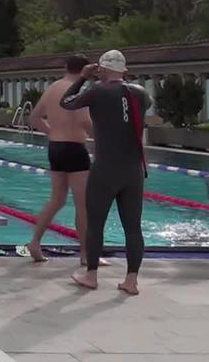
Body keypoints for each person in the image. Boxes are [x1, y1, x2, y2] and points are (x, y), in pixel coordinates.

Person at [59, 50, 150, 296]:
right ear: (125, 71)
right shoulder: (141, 94)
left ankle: (91, 276)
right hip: (133, 170)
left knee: (96, 223)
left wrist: (82, 78)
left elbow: (66, 102)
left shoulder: (97, 91)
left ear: (101, 69)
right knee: (133, 227)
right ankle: (131, 281)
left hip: (106, 169)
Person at [24, 55, 93, 263]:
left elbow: (34, 118)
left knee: (57, 199)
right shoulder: (77, 90)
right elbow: (83, 120)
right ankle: (86, 255)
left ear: (66, 67)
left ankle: (35, 241)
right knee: (83, 204)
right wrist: (102, 137)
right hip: (74, 148)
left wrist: (51, 133)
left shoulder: (53, 87)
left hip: (55, 147)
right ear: (86, 71)